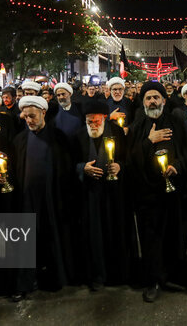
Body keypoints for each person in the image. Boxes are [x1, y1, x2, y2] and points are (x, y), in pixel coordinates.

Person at [2, 96, 75, 302]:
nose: (29, 120)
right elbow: (13, 169)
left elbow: (66, 170)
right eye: (25, 117)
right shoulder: (19, 140)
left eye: (32, 116)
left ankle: (54, 278)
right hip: (26, 201)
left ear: (43, 113)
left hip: (52, 200)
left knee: (52, 239)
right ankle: (24, 282)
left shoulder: (59, 138)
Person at [128, 82, 187, 303]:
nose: (152, 101)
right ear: (143, 102)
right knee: (150, 239)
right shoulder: (137, 126)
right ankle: (153, 280)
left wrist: (178, 167)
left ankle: (172, 275)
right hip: (147, 195)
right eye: (148, 98)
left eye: (156, 97)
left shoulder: (176, 122)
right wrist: (149, 141)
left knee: (173, 235)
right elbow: (131, 158)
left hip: (173, 193)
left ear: (164, 100)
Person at [73, 100, 137, 290]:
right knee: (93, 235)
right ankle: (96, 275)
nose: (93, 124)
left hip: (114, 195)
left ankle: (119, 274)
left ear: (105, 118)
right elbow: (68, 162)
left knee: (116, 231)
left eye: (97, 120)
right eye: (89, 121)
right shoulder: (78, 136)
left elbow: (129, 159)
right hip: (89, 195)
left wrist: (120, 166)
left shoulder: (117, 133)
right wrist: (81, 168)